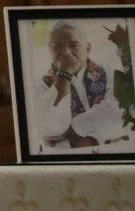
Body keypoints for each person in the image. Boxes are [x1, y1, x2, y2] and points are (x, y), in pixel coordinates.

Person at [39, 20, 123, 149]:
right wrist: (65, 75)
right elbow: (52, 128)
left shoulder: (109, 72)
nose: (66, 52)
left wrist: (73, 128)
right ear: (49, 49)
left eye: (74, 45)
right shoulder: (42, 83)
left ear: (88, 48)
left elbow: (117, 110)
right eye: (58, 45)